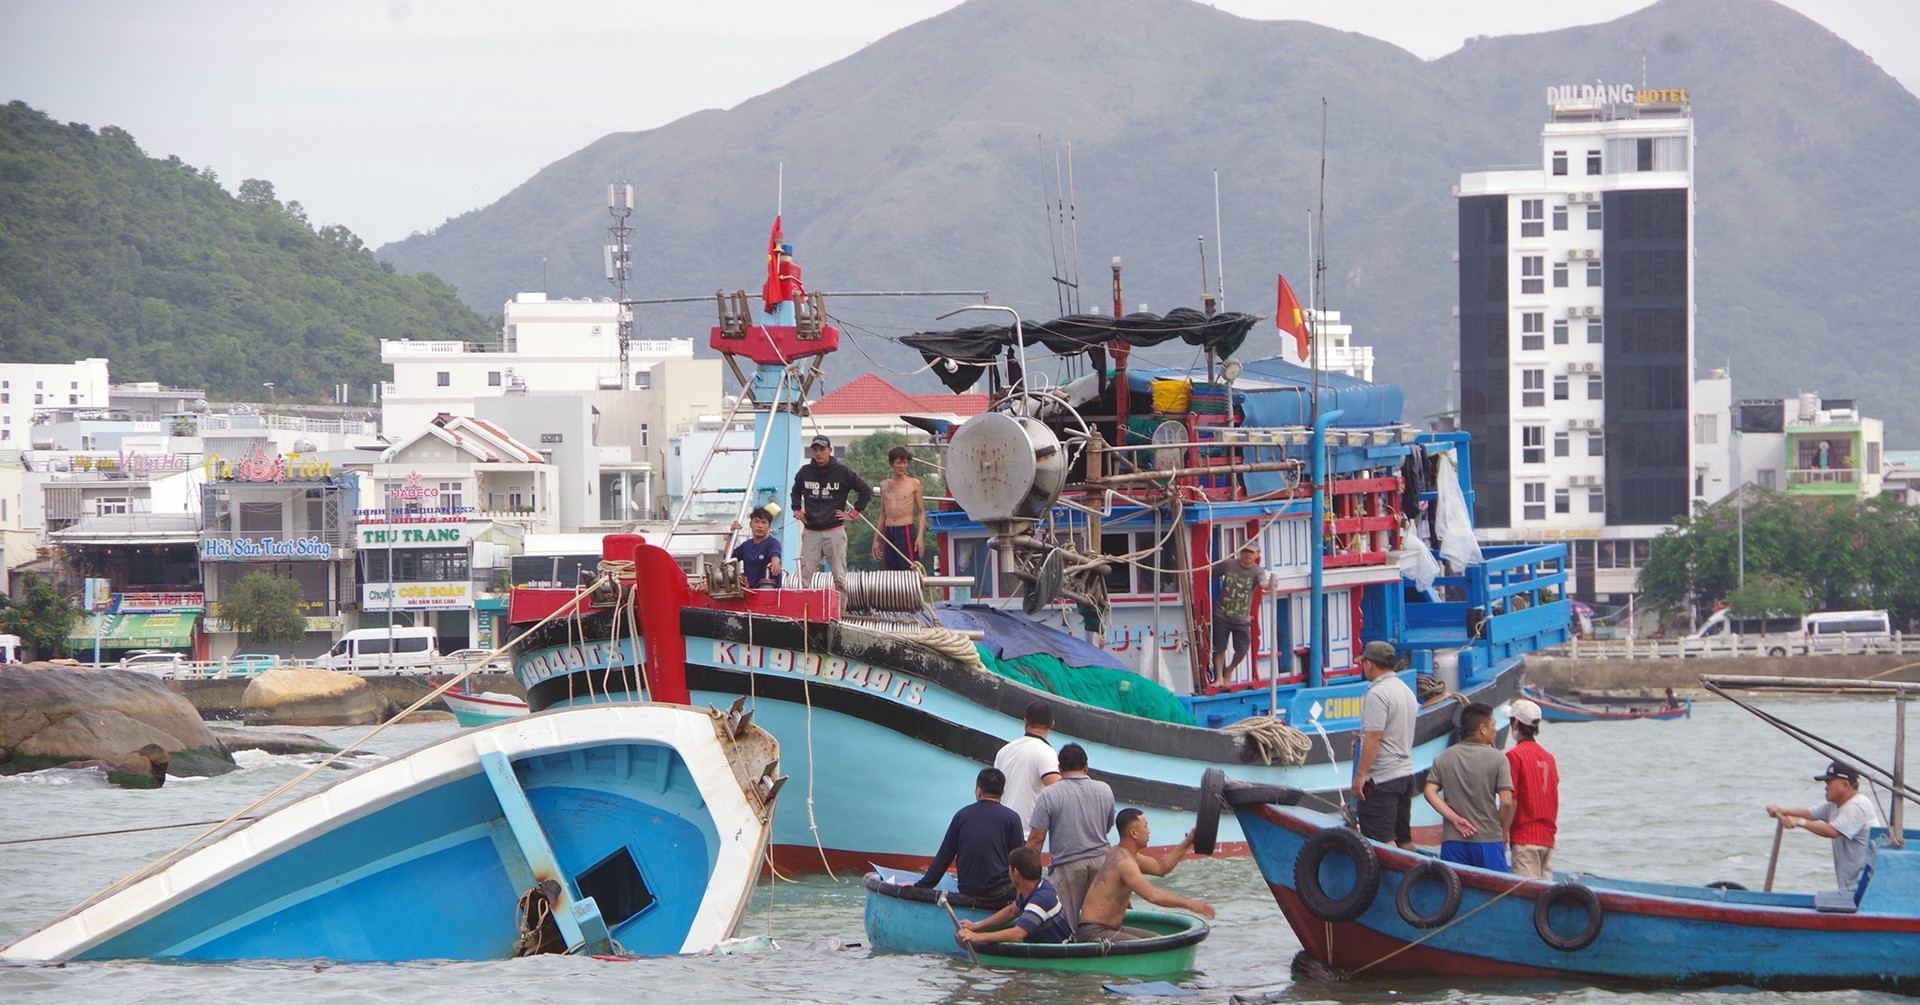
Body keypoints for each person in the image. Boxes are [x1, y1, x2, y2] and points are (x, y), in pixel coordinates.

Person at [1072, 808, 1215, 945]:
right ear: (1134, 833)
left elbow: (1161, 868)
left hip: (1111, 929)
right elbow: (1153, 896)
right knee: (1155, 946)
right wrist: (1190, 904)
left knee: (1158, 939)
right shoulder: (1123, 862)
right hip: (1094, 932)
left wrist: (1188, 841)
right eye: (1146, 826)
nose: (1149, 831)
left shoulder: (1127, 855)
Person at [1025, 742, 1113, 928]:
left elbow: (1036, 839)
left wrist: (1027, 876)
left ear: (1059, 768)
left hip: (1067, 867)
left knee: (1066, 924)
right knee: (1102, 922)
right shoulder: (1105, 790)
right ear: (1086, 766)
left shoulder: (1049, 795)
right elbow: (1107, 828)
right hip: (1101, 863)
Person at [1767, 760, 1884, 893]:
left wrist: (1799, 822)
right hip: (1848, 885)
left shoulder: (1857, 806)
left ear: (1845, 785)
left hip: (1865, 885)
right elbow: (1811, 813)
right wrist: (1783, 811)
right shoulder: (1835, 804)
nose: (1825, 788)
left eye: (1830, 783)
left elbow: (1833, 831)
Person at [1423, 701, 1513, 871]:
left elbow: (1429, 792)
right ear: (1482, 729)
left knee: (1454, 889)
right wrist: (1502, 831)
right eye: (1492, 725)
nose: (1495, 729)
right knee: (1495, 889)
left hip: (1453, 840)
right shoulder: (1498, 758)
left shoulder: (1443, 757)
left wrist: (1454, 819)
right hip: (1487, 839)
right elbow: (1507, 802)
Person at [914, 768, 1024, 902]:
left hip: (968, 890)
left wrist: (921, 887)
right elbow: (1020, 861)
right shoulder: (1012, 818)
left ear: (978, 791)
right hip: (999, 894)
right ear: (1003, 793)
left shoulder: (961, 816)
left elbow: (944, 856)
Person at [1350, 639, 1418, 850]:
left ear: (1369, 664)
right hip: (1405, 775)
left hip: (1382, 779)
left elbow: (1374, 738)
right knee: (1403, 837)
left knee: (1382, 841)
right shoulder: (1405, 690)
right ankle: (1417, 879)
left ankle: (1396, 883)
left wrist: (1360, 776)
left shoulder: (1377, 693)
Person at [789, 435, 872, 592]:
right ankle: (802, 614)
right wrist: (796, 509)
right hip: (811, 531)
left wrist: (853, 513)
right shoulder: (805, 472)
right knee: (804, 576)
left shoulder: (842, 471)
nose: (819, 453)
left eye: (822, 450)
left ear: (830, 450)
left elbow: (865, 490)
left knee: (839, 576)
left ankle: (840, 613)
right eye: (815, 450)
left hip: (834, 530)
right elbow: (795, 491)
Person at [954, 846, 1074, 947]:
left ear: (1016, 873)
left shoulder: (1040, 900)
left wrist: (977, 937)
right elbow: (1012, 911)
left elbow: (1017, 935)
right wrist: (976, 926)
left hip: (1059, 951)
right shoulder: (1040, 886)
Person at [1504, 697, 1560, 880]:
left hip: (1524, 837)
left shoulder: (1514, 756)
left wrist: (1503, 833)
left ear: (1515, 723)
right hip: (1547, 838)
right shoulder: (1549, 758)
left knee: (1526, 892)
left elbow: (1511, 800)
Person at [993, 701, 1061, 837]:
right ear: (1052, 725)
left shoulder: (1004, 751)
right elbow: (1059, 793)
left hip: (997, 830)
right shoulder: (1048, 754)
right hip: (1024, 835)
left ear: (1025, 721)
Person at [1210, 544, 1262, 685]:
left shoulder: (1257, 571)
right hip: (1222, 614)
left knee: (1242, 650)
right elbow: (1209, 572)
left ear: (1257, 554)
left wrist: (1271, 584)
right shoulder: (1229, 564)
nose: (1247, 555)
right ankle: (1219, 677)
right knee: (1219, 647)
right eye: (1245, 551)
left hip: (1242, 619)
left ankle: (1230, 670)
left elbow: (1263, 583)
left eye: (1251, 552)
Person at [873, 445, 926, 572]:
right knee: (890, 573)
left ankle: (911, 592)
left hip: (906, 531)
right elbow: (883, 514)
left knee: (910, 570)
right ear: (892, 464)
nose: (901, 466)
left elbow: (921, 511)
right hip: (889, 532)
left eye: (904, 463)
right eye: (898, 463)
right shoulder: (884, 485)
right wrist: (876, 540)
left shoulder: (914, 484)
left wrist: (920, 537)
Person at [728, 507, 784, 589]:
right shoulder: (746, 545)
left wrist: (775, 563)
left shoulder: (773, 543)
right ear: (750, 524)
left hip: (769, 594)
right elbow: (728, 557)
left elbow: (775, 554)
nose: (760, 526)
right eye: (756, 522)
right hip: (749, 592)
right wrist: (731, 535)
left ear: (769, 526)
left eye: (764, 522)